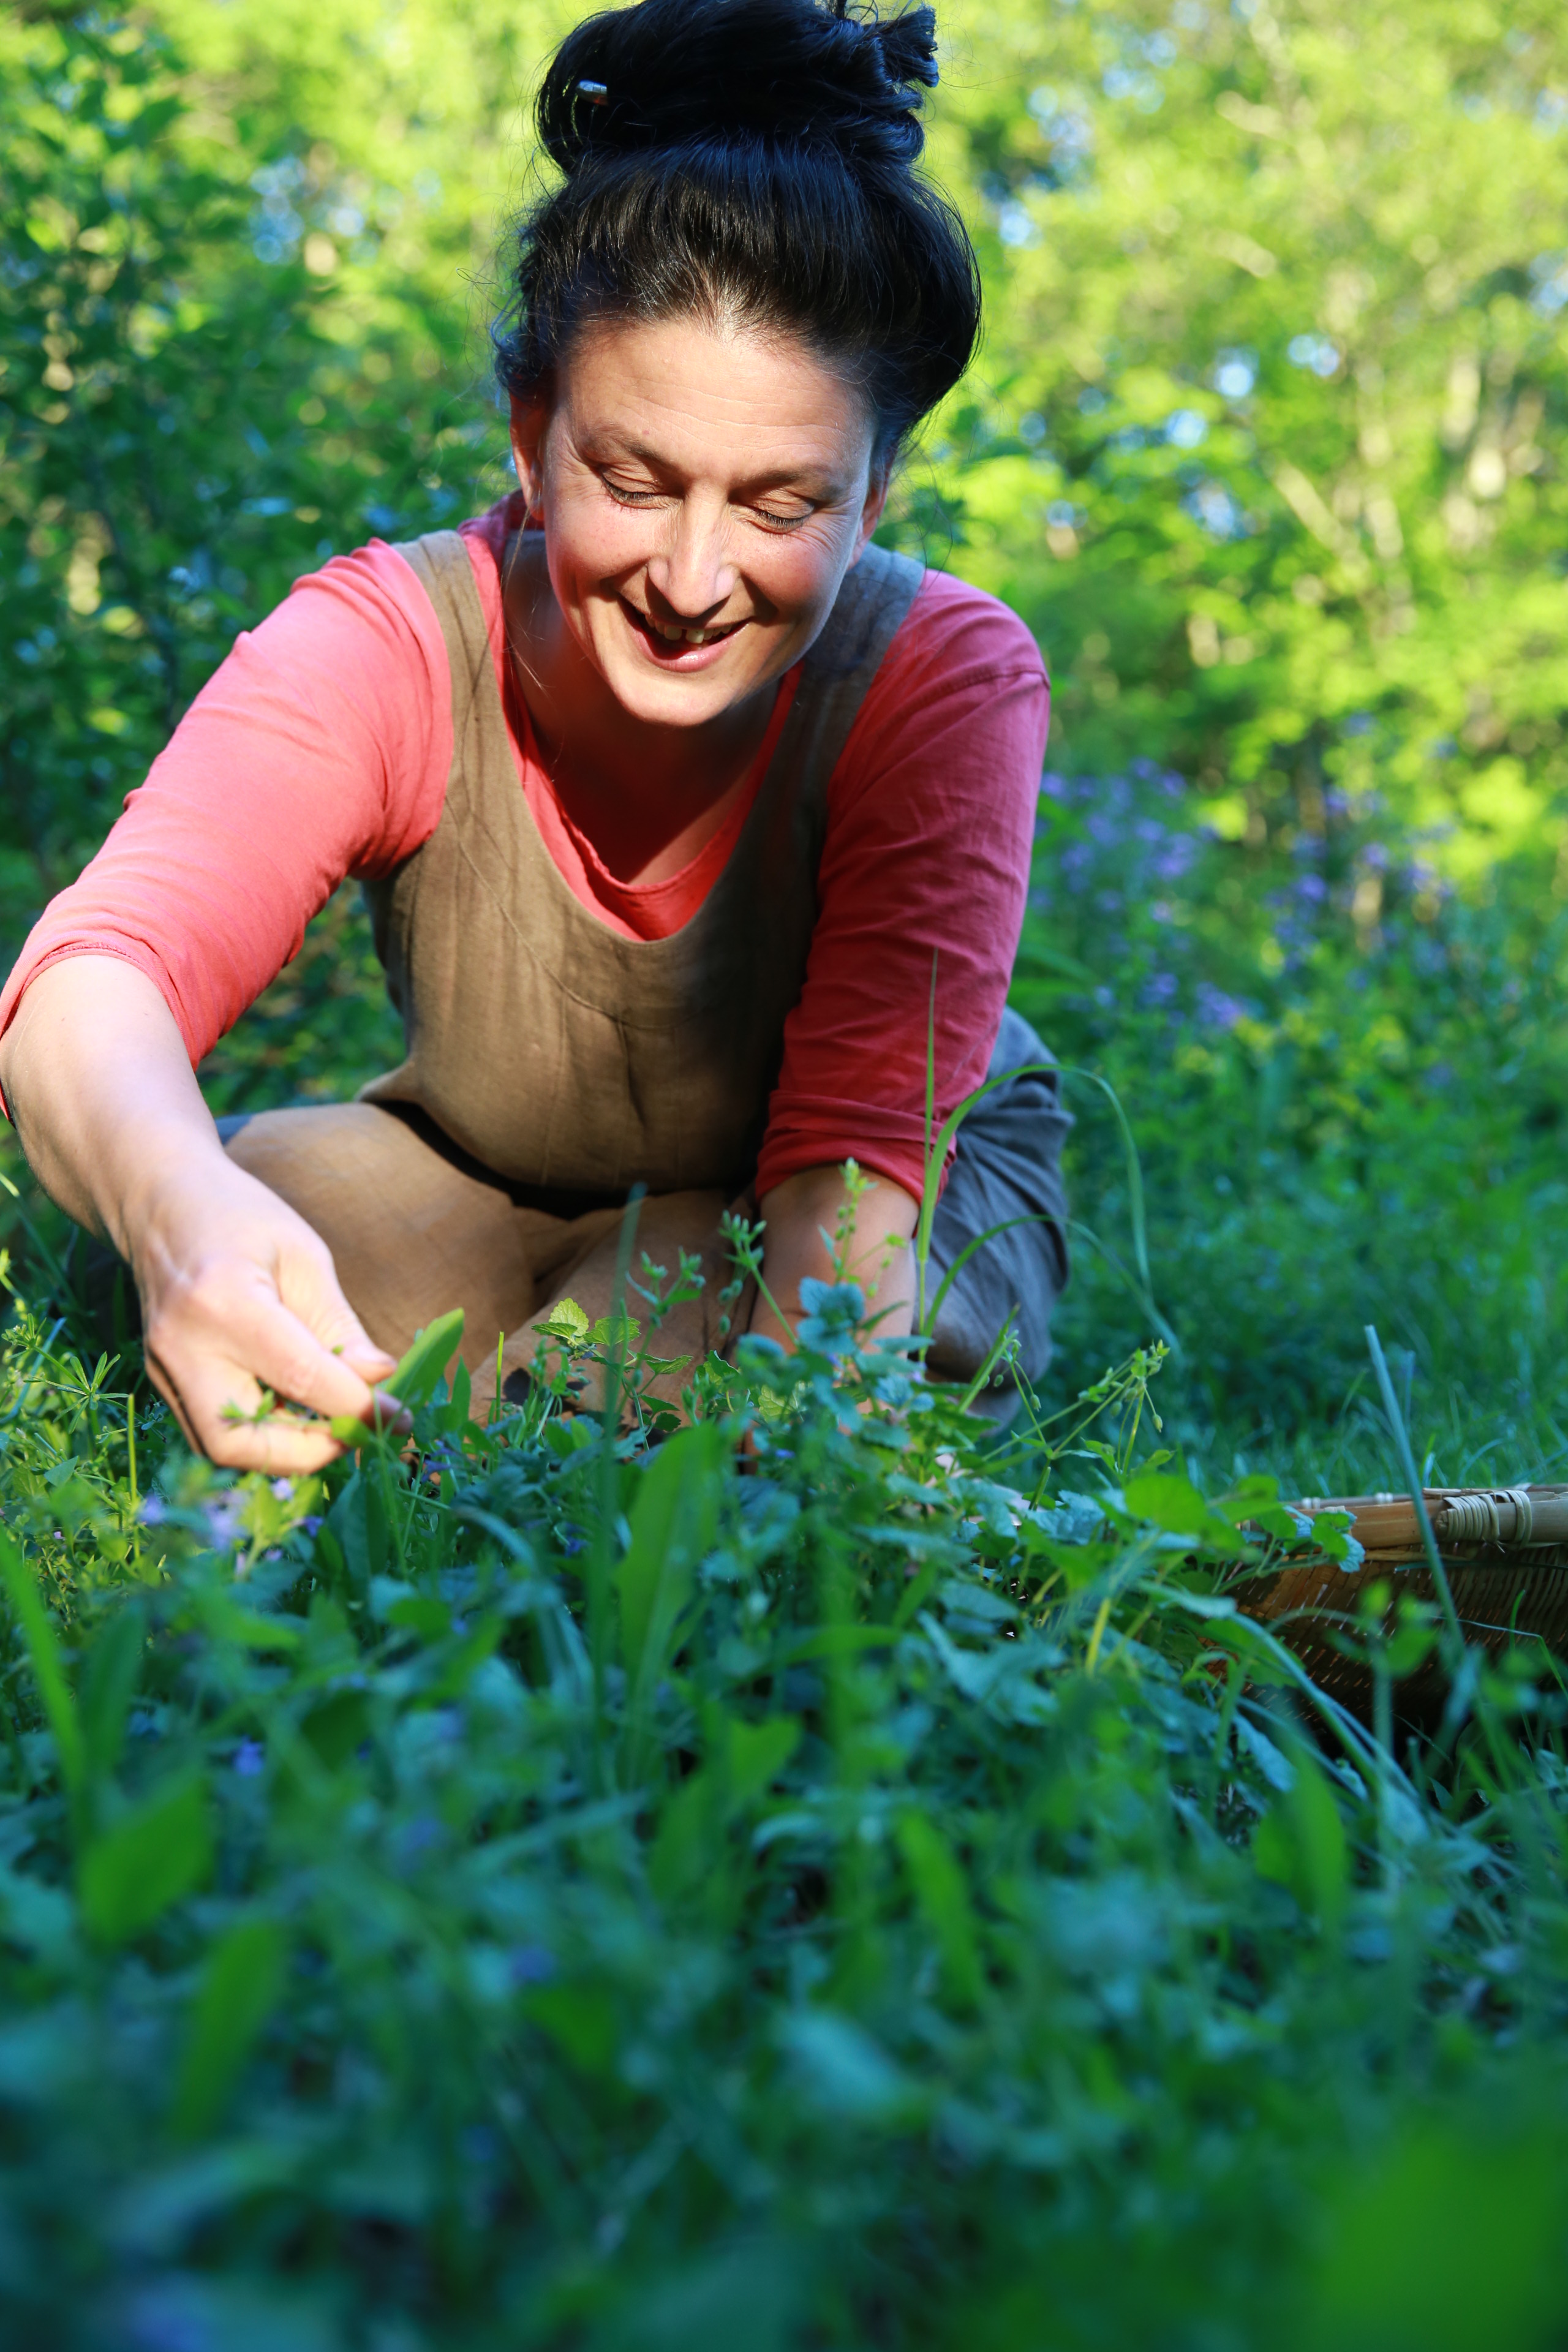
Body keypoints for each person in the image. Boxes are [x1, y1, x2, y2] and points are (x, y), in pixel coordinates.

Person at [0, 0, 1069, 1473]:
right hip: (492, 1167)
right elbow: (90, 982)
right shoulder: (391, 642)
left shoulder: (936, 680)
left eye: (780, 507)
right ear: (530, 436)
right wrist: (178, 1215)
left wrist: (776, 1463)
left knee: (638, 1378)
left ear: (870, 499)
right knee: (259, 1204)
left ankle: (548, 1425)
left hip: (856, 1187)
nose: (692, 584)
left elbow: (843, 1227)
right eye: (632, 478)